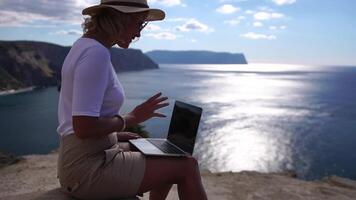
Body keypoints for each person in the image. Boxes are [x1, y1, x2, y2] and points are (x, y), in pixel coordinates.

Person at [56, 0, 208, 199]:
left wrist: (115, 136)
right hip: (87, 168)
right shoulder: (96, 54)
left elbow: (77, 123)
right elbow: (83, 127)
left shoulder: (85, 45)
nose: (139, 33)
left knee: (170, 154)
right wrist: (131, 118)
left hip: (85, 154)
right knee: (187, 166)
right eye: (139, 23)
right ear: (119, 18)